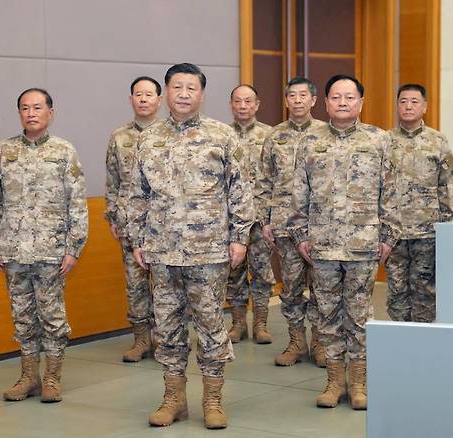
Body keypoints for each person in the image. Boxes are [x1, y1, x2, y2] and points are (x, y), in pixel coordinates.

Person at [127, 63, 254, 429]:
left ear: (201, 94)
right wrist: (138, 239)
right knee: (167, 326)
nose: (183, 93)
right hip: (162, 251)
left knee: (211, 325)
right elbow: (137, 195)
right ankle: (173, 398)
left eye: (191, 88)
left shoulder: (222, 136)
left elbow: (239, 191)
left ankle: (212, 400)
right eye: (177, 87)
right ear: (166, 91)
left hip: (209, 251)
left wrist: (239, 238)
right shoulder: (148, 139)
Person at [289, 75, 401, 410]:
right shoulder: (309, 141)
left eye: (349, 97)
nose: (342, 102)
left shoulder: (379, 141)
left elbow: (391, 192)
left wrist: (389, 236)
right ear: (325, 102)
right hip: (321, 244)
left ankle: (359, 384)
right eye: (336, 97)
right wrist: (299, 234)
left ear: (360, 103)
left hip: (363, 244)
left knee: (360, 314)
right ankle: (334, 382)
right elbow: (299, 193)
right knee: (327, 313)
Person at [0, 88, 88, 403]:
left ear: (50, 112)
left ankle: (52, 378)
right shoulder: (5, 151)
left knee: (52, 315)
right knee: (23, 315)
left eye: (37, 107)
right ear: (19, 113)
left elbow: (77, 204)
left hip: (51, 250)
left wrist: (73, 247)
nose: (31, 113)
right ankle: (28, 377)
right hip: (13, 249)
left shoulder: (64, 151)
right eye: (25, 108)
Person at [256, 77, 328, 367]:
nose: (297, 100)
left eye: (303, 95)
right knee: (292, 287)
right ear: (285, 101)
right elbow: (264, 180)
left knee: (324, 288)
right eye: (292, 96)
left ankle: (321, 342)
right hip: (285, 225)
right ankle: (296, 341)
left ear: (313, 100)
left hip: (322, 225)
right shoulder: (275, 136)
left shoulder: (326, 133)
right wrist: (266, 220)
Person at [385, 83, 453, 322]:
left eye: (414, 101)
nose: (408, 106)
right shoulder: (385, 141)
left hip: (427, 231)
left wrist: (447, 224)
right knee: (396, 289)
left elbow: (447, 184)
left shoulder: (438, 141)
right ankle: (400, 340)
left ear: (424, 106)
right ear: (397, 105)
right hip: (394, 232)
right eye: (403, 101)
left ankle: (423, 342)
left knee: (425, 289)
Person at [105, 76, 162, 362]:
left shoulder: (168, 134)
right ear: (131, 99)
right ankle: (141, 339)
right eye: (138, 94)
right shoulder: (119, 137)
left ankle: (166, 339)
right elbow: (112, 181)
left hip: (165, 224)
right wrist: (113, 216)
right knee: (135, 283)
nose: (143, 99)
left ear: (159, 100)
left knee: (166, 285)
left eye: (148, 94)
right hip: (130, 223)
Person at [225, 84, 275, 345]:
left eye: (248, 101)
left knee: (262, 271)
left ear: (257, 105)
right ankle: (237, 324)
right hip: (230, 219)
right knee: (233, 271)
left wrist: (270, 216)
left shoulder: (270, 135)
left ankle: (261, 324)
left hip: (259, 219)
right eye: (237, 101)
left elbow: (275, 178)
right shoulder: (222, 135)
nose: (242, 106)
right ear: (231, 104)